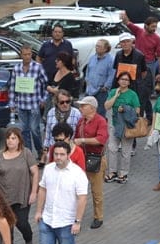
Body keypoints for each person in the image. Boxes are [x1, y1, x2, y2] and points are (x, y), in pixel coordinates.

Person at [35, 141, 88, 244]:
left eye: (61, 154)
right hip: (48, 218)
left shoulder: (77, 174)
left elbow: (82, 199)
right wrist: (39, 211)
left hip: (66, 221)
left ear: (68, 155)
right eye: (56, 154)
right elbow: (43, 190)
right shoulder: (49, 169)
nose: (58, 157)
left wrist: (77, 221)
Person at [0, 127, 38, 244]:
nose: (10, 141)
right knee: (6, 224)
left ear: (19, 140)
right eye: (8, 138)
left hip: (21, 195)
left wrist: (34, 192)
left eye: (13, 138)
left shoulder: (26, 153)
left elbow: (35, 172)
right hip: (4, 196)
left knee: (21, 222)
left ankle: (28, 238)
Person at [8, 45, 49, 158]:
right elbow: (12, 86)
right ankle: (28, 153)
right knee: (24, 130)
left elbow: (46, 84)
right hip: (21, 104)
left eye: (29, 54)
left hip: (34, 104)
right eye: (25, 54)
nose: (27, 56)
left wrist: (43, 99)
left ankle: (40, 151)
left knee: (34, 129)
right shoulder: (16, 68)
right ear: (21, 55)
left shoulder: (38, 67)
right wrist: (12, 102)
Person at [73, 96, 108, 228]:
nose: (80, 108)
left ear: (92, 108)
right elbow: (75, 136)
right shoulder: (81, 121)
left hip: (96, 158)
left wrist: (82, 141)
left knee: (96, 191)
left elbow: (100, 140)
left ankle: (98, 217)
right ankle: (75, 216)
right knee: (77, 189)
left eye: (83, 106)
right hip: (82, 158)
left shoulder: (101, 121)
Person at [104, 71, 141, 185]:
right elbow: (106, 106)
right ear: (118, 80)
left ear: (129, 82)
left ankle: (123, 173)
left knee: (125, 150)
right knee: (112, 148)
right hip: (114, 124)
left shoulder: (133, 94)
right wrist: (115, 96)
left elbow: (137, 111)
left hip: (127, 126)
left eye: (127, 80)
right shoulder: (113, 92)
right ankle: (112, 172)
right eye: (122, 79)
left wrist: (125, 109)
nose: (124, 81)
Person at [112, 31, 151, 121]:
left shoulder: (139, 55)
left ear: (131, 42)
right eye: (123, 42)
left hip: (135, 86)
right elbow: (116, 70)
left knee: (136, 108)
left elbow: (144, 72)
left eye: (127, 41)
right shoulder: (118, 55)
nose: (125, 44)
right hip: (121, 86)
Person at [42, 89, 82, 165]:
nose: (65, 104)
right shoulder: (51, 112)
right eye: (62, 102)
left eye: (67, 101)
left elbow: (79, 133)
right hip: (54, 148)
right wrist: (45, 149)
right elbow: (48, 132)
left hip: (70, 149)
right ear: (56, 103)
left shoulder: (76, 113)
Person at [84, 39, 115, 118]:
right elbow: (88, 70)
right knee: (87, 112)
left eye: (99, 46)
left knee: (100, 114)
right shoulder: (92, 58)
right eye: (96, 46)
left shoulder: (111, 60)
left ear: (105, 49)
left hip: (101, 91)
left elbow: (112, 74)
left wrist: (106, 86)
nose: (96, 47)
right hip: (90, 90)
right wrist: (87, 80)